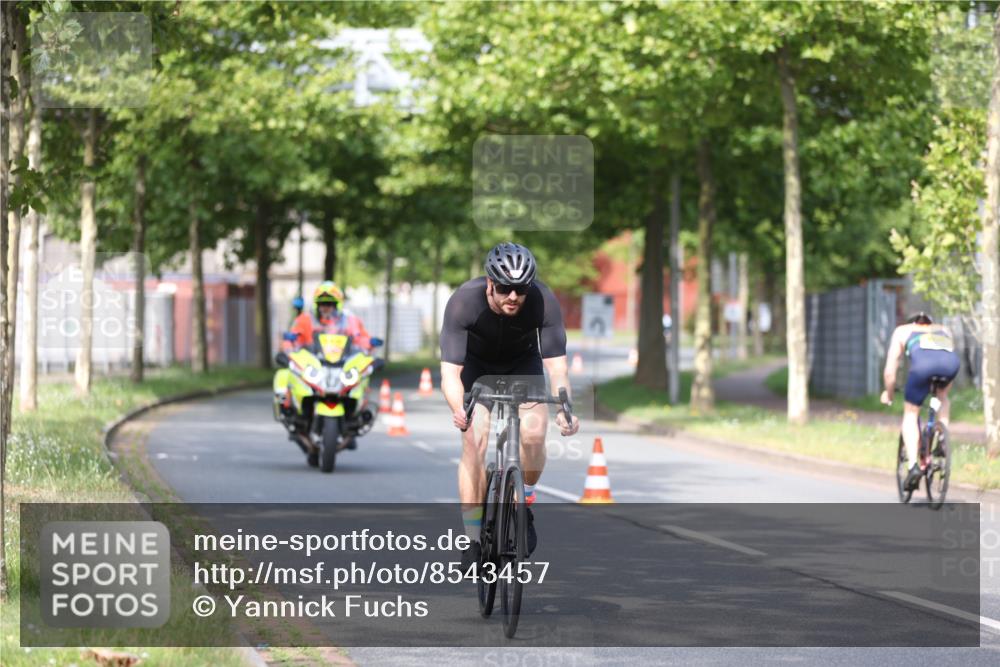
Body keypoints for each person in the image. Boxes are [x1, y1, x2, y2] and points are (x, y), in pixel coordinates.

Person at [439, 242, 580, 569]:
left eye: (520, 289)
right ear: (490, 283)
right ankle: (473, 540)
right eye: (504, 288)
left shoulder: (543, 302)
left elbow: (557, 368)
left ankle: (523, 502)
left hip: (521, 364)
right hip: (476, 369)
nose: (513, 296)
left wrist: (564, 408)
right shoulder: (464, 302)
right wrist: (459, 408)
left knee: (534, 434)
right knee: (475, 439)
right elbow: (450, 374)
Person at [880, 312, 961, 491]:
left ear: (913, 322)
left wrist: (889, 393)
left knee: (911, 413)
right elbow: (946, 356)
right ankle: (941, 435)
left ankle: (912, 467)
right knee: (942, 398)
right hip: (950, 365)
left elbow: (889, 371)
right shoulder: (943, 330)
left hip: (923, 367)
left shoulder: (902, 331)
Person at [287, 280, 373, 352]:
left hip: (342, 364)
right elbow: (291, 341)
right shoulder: (305, 319)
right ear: (316, 304)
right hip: (311, 365)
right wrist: (291, 342)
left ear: (337, 305)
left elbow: (360, 338)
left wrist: (369, 343)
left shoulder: (350, 320)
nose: (325, 307)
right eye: (322, 303)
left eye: (329, 303)